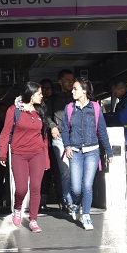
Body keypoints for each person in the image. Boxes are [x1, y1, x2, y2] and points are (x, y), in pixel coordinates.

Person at [0, 82, 51, 233]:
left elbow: (44, 137)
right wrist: (2, 153)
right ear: (31, 94)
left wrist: (46, 158)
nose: (42, 96)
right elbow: (5, 132)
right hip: (19, 154)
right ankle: (17, 207)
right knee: (21, 189)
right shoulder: (14, 110)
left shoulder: (40, 111)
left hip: (38, 154)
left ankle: (33, 220)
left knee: (36, 188)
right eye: (39, 93)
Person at [61, 77, 113, 231]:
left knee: (87, 186)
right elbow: (65, 129)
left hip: (92, 151)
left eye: (75, 88)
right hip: (75, 151)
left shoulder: (96, 108)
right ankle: (76, 204)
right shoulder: (69, 108)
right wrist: (67, 145)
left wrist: (109, 152)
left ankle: (86, 215)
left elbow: (101, 131)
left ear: (84, 91)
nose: (72, 91)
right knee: (76, 188)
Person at [48, 69, 76, 212]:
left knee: (76, 170)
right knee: (65, 171)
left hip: (75, 137)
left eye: (72, 80)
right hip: (59, 139)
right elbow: (46, 116)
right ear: (60, 81)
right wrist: (52, 126)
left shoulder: (76, 96)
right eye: (67, 80)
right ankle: (68, 200)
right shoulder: (53, 98)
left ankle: (74, 198)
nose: (70, 82)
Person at [39, 78, 61, 210]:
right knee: (43, 172)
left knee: (58, 170)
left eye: (49, 88)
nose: (46, 91)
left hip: (56, 139)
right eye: (44, 88)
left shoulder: (56, 101)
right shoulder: (37, 102)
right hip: (42, 141)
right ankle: (42, 199)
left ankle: (61, 198)